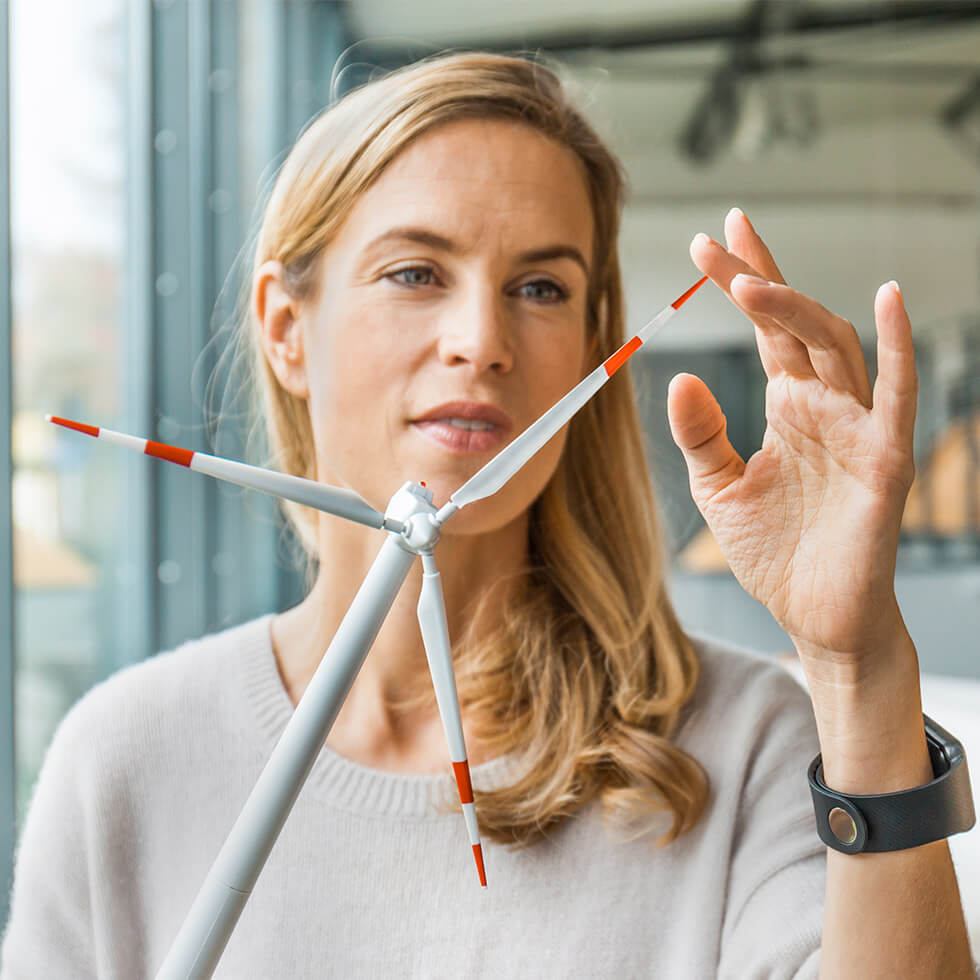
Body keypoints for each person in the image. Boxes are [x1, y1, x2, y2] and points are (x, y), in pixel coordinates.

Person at [2, 51, 977, 978]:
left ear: (592, 349)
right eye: (414, 272)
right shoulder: (125, 758)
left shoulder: (748, 743)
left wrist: (859, 670)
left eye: (540, 288)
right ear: (286, 329)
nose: (480, 341)